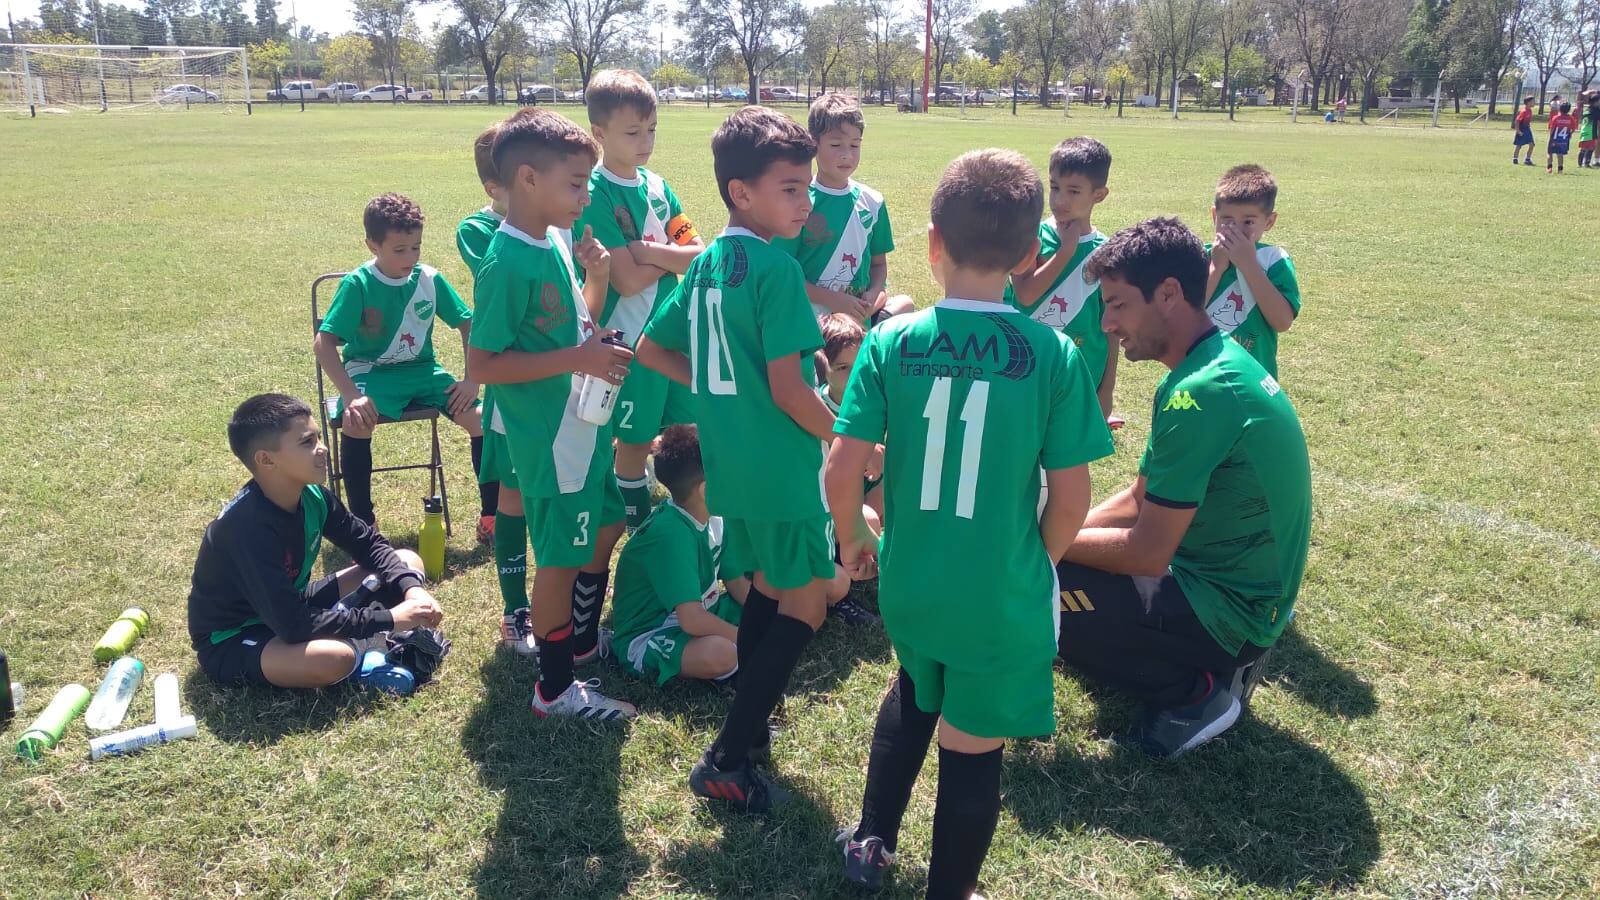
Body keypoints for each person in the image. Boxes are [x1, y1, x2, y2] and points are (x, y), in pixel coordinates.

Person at [826, 149, 1113, 898]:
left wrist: (856, 541)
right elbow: (1074, 500)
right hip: (997, 595)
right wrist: (1036, 560)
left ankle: (870, 843)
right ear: (1028, 254)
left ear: (931, 244)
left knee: (916, 689)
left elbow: (841, 467)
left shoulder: (889, 340)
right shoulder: (1052, 353)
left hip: (914, 585)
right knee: (971, 749)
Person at [636, 106, 834, 812]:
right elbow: (789, 390)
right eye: (790, 188)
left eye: (807, 187)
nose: (804, 201)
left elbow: (654, 349)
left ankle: (746, 739)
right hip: (782, 464)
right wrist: (842, 434)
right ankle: (726, 756)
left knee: (768, 594)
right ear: (739, 192)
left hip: (731, 463)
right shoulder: (776, 269)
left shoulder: (709, 262)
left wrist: (722, 395)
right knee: (807, 602)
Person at [1056, 217, 1312, 758]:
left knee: (1041, 599)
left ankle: (1196, 695)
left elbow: (1148, 552)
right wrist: (1060, 533)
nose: (1106, 324)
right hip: (1227, 588)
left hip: (1233, 615)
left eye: (1119, 304)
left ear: (1168, 293)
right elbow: (1139, 496)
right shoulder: (1202, 369)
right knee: (1051, 572)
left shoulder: (1203, 392)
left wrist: (1038, 543)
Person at [465, 108, 637, 720]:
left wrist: (599, 280)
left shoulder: (554, 241)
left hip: (583, 428)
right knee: (560, 560)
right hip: (553, 439)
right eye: (576, 183)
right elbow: (483, 361)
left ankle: (578, 641)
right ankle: (555, 688)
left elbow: (575, 327)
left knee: (601, 528)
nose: (585, 195)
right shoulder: (508, 260)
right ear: (529, 179)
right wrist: (580, 358)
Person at [187, 393, 444, 689]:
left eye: (319, 438)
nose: (322, 449)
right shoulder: (244, 529)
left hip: (291, 604)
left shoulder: (312, 495)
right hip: (235, 637)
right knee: (332, 658)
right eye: (307, 442)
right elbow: (293, 625)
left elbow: (370, 545)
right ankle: (374, 649)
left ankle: (372, 645)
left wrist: (412, 590)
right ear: (266, 459)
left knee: (407, 562)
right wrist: (391, 619)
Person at [313, 193, 492, 531]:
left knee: (481, 419)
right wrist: (351, 394)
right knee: (356, 421)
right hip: (370, 372)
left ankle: (491, 517)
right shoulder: (358, 284)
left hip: (423, 374)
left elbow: (469, 324)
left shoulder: (429, 279)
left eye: (416, 247)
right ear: (372, 245)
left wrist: (472, 380)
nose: (410, 257)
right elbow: (324, 344)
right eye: (399, 250)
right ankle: (363, 526)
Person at [575, 69, 705, 532]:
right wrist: (670, 260)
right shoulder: (591, 194)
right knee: (632, 444)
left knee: (687, 434)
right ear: (599, 133)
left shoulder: (657, 186)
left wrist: (648, 251)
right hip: (628, 343)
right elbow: (626, 283)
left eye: (651, 130)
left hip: (674, 337)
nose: (645, 141)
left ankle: (693, 526)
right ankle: (640, 529)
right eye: (632, 132)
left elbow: (699, 254)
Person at [455, 122, 538, 656]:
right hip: (516, 390)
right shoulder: (481, 231)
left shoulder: (548, 227)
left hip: (563, 385)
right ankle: (515, 611)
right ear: (498, 186)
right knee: (514, 499)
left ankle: (565, 606)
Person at [609, 425, 746, 686]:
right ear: (706, 490)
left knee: (773, 603)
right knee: (722, 654)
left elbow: (738, 583)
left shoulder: (716, 515)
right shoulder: (670, 534)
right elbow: (691, 620)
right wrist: (747, 639)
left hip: (706, 610)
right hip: (652, 632)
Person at [1007, 136, 1121, 426]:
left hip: (1080, 376)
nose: (1060, 200)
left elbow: (1111, 328)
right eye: (1055, 187)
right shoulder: (1031, 234)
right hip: (1025, 370)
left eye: (1073, 191)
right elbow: (1026, 295)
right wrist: (1066, 250)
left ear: (1099, 194)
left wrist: (1106, 389)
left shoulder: (1107, 252)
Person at [774, 92, 914, 324]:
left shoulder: (873, 202)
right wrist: (833, 300)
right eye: (836, 144)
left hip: (857, 321)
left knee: (904, 305)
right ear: (814, 143)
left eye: (855, 145)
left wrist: (873, 294)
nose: (846, 154)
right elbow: (785, 273)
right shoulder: (799, 201)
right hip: (811, 323)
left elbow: (878, 265)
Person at [1201, 164, 1301, 380]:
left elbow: (1282, 322)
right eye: (1227, 220)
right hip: (1203, 374)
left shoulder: (1274, 260)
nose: (1236, 229)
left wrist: (1249, 265)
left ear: (1269, 221)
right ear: (1213, 215)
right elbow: (1187, 314)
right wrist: (1216, 268)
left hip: (1254, 377)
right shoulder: (1199, 256)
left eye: (1248, 221)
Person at [816, 313, 883, 626]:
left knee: (889, 496)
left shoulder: (876, 403)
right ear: (823, 368)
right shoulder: (815, 410)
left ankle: (861, 559)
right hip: (821, 510)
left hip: (856, 499)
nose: (853, 375)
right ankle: (840, 577)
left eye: (859, 366)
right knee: (867, 519)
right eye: (842, 368)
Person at [1549, 101, 1577, 174]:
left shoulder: (1556, 117)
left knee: (1550, 153)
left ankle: (1549, 168)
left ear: (1559, 109)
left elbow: (1552, 128)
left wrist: (1551, 136)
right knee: (1560, 154)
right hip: (1564, 140)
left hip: (1554, 139)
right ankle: (1560, 170)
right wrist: (1570, 133)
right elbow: (1573, 128)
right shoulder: (1571, 118)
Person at [1577, 92, 1598, 169]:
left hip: (1584, 130)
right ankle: (1586, 163)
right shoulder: (1596, 110)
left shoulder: (1587, 110)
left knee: (1583, 148)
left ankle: (1580, 163)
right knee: (1591, 147)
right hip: (1592, 131)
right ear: (1596, 101)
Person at [1513, 96, 1535, 166]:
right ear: (1528, 103)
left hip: (1527, 129)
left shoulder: (1530, 110)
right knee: (1519, 145)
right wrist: (1518, 131)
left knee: (1532, 144)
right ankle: (1515, 158)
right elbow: (1517, 121)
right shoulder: (1523, 111)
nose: (1534, 103)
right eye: (1533, 101)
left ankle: (1527, 159)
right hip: (1521, 129)